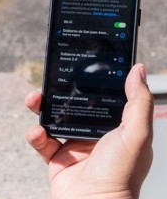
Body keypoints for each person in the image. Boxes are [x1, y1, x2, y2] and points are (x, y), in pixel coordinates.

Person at [25, 63, 154, 199]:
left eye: (99, 80)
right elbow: (59, 117)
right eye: (86, 79)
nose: (92, 84)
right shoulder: (74, 97)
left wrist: (108, 192)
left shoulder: (110, 103)